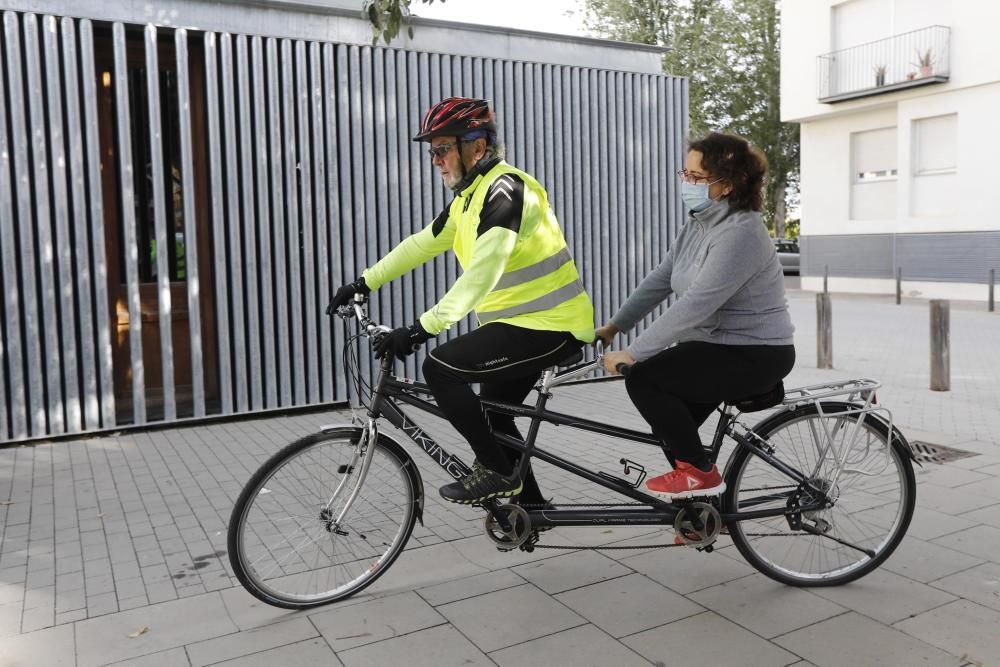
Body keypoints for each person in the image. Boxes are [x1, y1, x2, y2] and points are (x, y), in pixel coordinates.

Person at [328, 97, 595, 505]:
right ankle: (531, 508)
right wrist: (364, 281)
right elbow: (421, 244)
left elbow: (480, 276)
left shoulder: (506, 190)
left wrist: (420, 331)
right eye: (432, 151)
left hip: (552, 325)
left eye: (442, 148)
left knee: (441, 368)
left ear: (477, 147)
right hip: (519, 325)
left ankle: (496, 473)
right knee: (493, 411)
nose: (435, 159)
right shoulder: (468, 198)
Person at [597, 132, 795, 500]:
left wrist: (633, 353)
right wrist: (614, 326)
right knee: (672, 427)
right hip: (715, 346)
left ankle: (700, 479)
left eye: (697, 178)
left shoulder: (742, 233)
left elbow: (697, 303)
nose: (687, 184)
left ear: (729, 183)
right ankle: (703, 511)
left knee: (644, 381)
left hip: (755, 352)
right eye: (684, 175)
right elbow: (662, 279)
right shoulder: (699, 224)